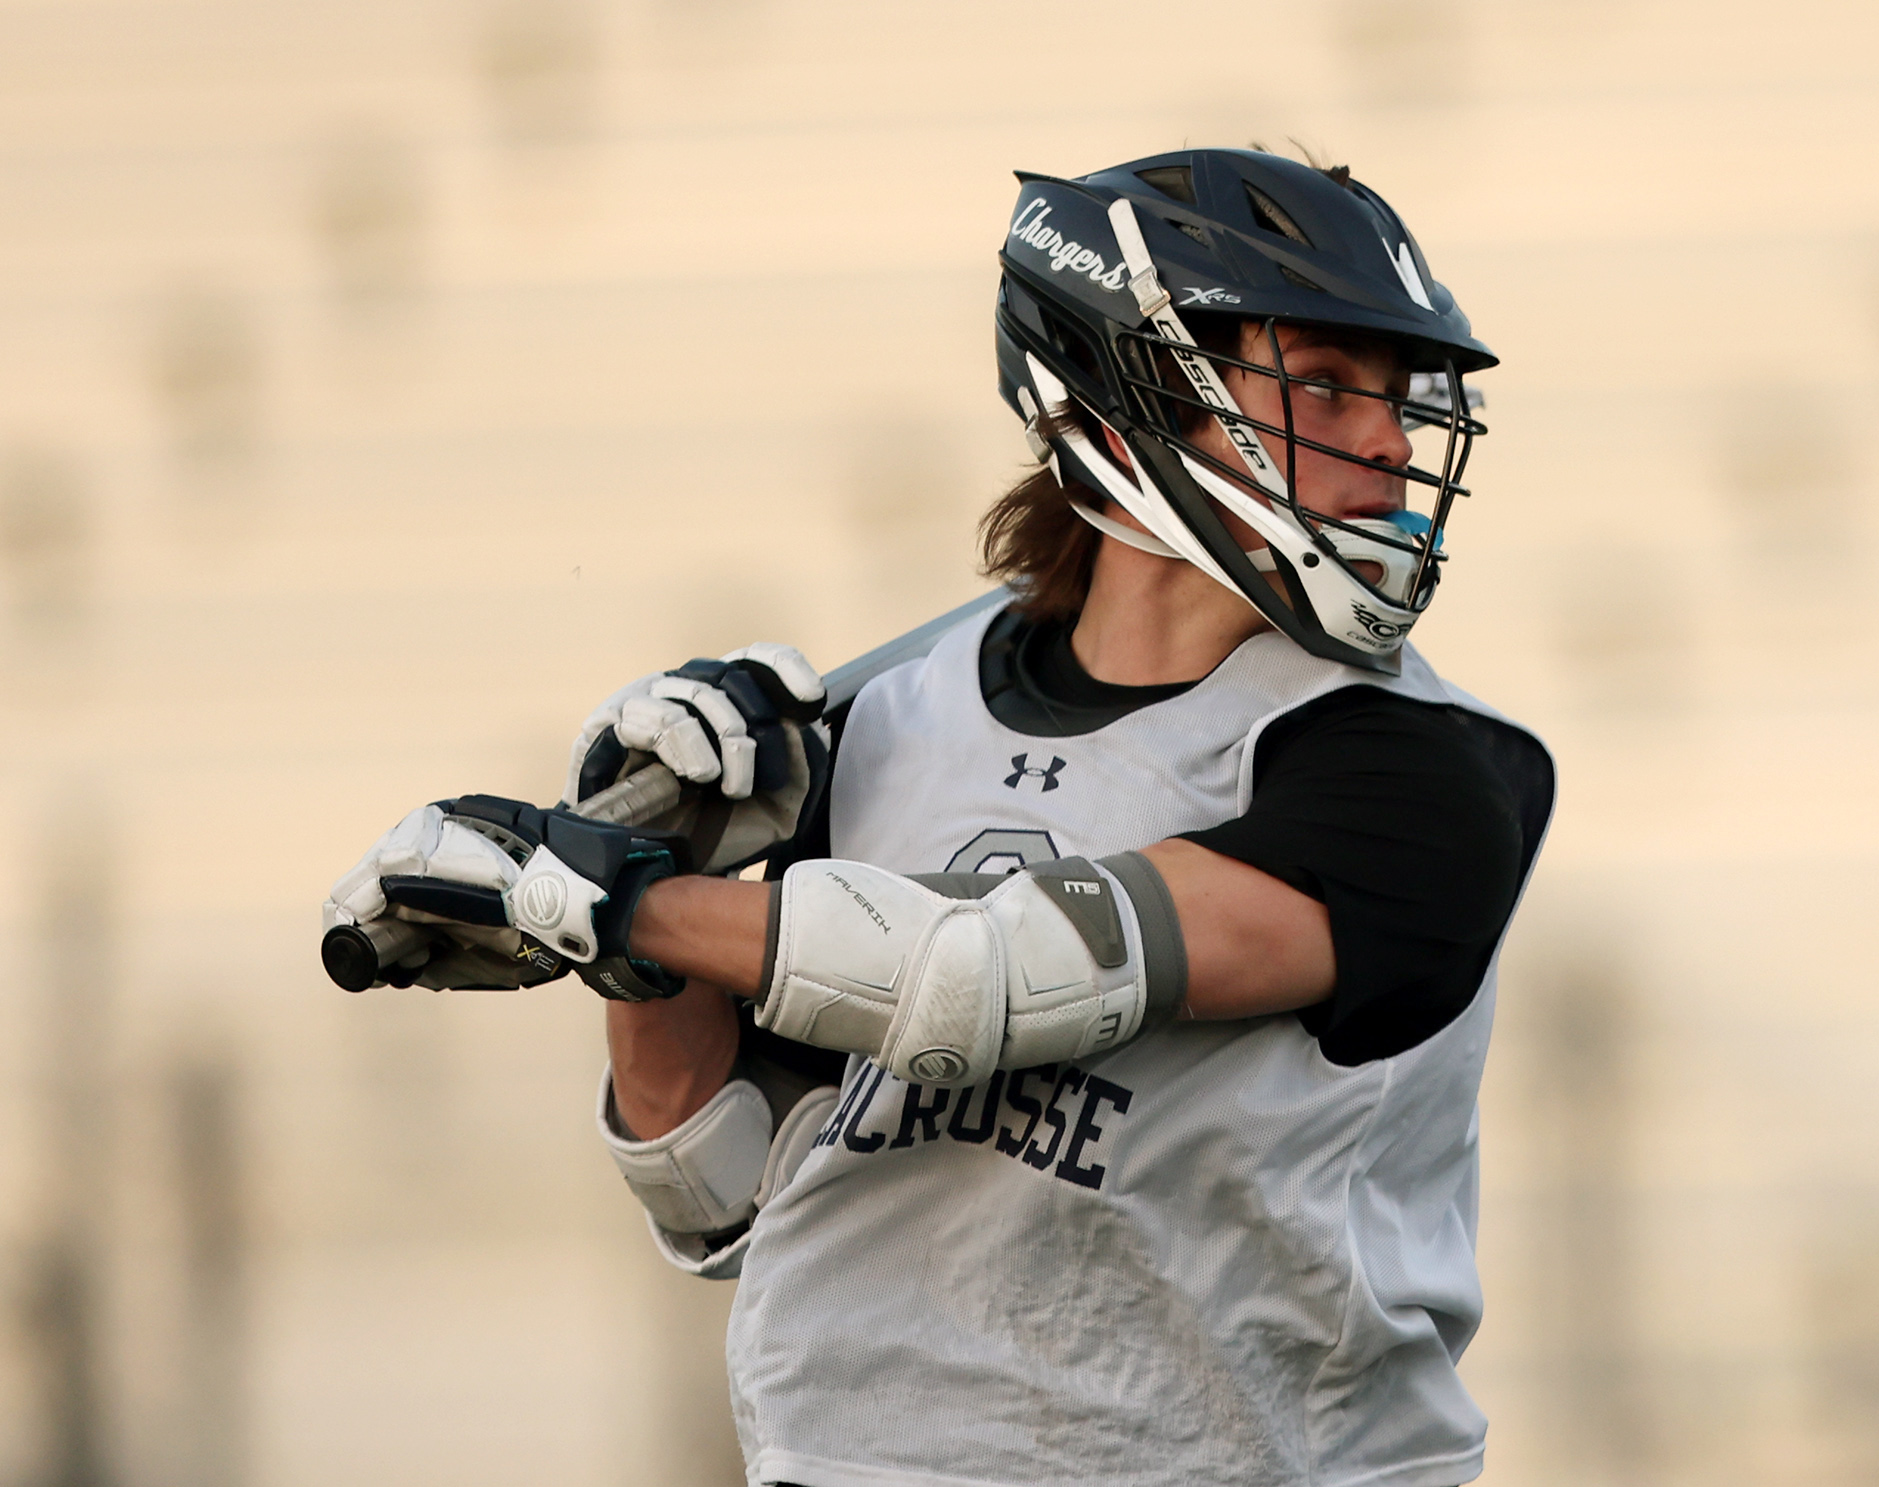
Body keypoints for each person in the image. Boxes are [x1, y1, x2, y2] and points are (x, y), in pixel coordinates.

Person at [320, 146, 1554, 1487]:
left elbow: (989, 978)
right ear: (1137, 379)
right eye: (1325, 384)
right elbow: (715, 1182)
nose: (1390, 442)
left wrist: (608, 894)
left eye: (1397, 401)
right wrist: (647, 908)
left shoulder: (1420, 771)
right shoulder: (887, 724)